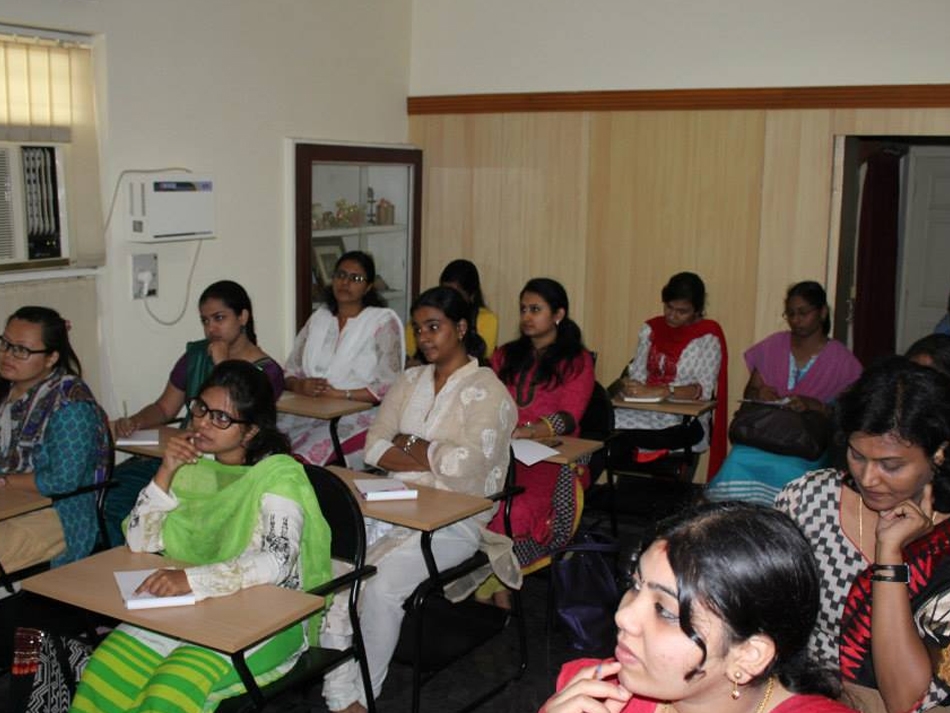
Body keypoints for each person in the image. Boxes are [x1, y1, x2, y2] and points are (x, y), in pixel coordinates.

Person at [71, 360, 331, 712]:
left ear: (251, 431)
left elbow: (277, 561)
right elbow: (140, 543)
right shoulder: (195, 465)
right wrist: (166, 471)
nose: (203, 423)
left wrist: (191, 581)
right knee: (103, 673)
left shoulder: (278, 475)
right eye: (201, 409)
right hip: (192, 606)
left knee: (168, 693)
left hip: (267, 616)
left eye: (221, 418)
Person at [320, 286, 516, 713]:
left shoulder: (489, 391)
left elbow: (467, 465)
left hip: (457, 519)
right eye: (418, 328)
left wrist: (410, 443)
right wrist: (430, 453)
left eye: (434, 327)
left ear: (460, 328)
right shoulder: (409, 381)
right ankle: (339, 693)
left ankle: (364, 694)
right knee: (336, 570)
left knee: (380, 587)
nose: (424, 337)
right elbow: (374, 447)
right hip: (392, 501)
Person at [541, 501, 857, 713]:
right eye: (635, 585)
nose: (624, 616)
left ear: (748, 655)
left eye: (665, 611)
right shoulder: (590, 694)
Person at [776, 358, 950, 713]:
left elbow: (906, 700)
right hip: (803, 697)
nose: (868, 478)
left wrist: (890, 557)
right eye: (857, 456)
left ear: (939, 454)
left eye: (891, 465)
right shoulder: (810, 500)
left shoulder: (944, 543)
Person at [105, 280, 284, 546]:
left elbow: (240, 412)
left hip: (223, 467)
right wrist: (134, 421)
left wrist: (221, 362)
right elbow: (164, 408)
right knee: (112, 490)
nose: (211, 328)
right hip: (183, 452)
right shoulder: (196, 355)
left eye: (219, 318)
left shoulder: (266, 371)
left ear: (243, 317)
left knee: (127, 502)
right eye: (205, 321)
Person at [481, 277, 594, 599]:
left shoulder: (576, 360)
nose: (526, 317)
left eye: (535, 309)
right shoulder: (506, 355)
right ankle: (488, 579)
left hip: (554, 456)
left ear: (558, 314)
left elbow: (570, 416)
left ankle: (498, 584)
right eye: (523, 309)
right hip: (502, 450)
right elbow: (487, 399)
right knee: (474, 501)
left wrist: (528, 431)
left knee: (516, 510)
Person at [707, 281, 861, 506]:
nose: (796, 320)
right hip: (764, 437)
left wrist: (814, 405)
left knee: (791, 469)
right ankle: (734, 520)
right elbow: (749, 392)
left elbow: (850, 414)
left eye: (803, 313)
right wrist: (760, 393)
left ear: (822, 312)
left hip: (805, 446)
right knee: (737, 460)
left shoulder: (841, 360)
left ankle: (784, 519)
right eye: (790, 314)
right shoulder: (773, 346)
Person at [0, 306, 110, 571]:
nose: (7, 355)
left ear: (51, 358)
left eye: (21, 350)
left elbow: (63, 481)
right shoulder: (6, 389)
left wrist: (5, 481)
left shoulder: (71, 404)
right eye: (5, 343)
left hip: (57, 512)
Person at [281, 250, 404, 467]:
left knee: (304, 456)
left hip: (360, 415)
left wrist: (340, 394)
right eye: (340, 275)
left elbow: (389, 386)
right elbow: (290, 371)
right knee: (268, 443)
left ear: (368, 286)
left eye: (355, 278)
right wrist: (301, 386)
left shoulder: (381, 322)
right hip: (310, 409)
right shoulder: (319, 319)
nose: (345, 283)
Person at [612, 272, 728, 475]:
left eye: (682, 311)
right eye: (668, 307)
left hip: (682, 416)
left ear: (697, 310)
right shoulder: (651, 329)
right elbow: (637, 373)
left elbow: (703, 392)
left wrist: (664, 391)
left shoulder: (707, 336)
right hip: (644, 408)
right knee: (603, 421)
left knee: (624, 435)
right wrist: (632, 387)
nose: (672, 315)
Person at [404, 259, 499, 362]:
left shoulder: (486, 319)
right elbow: (408, 354)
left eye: (434, 327)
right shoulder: (423, 317)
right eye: (443, 292)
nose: (422, 338)